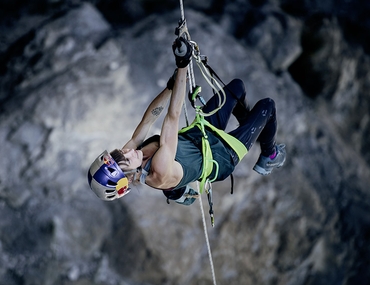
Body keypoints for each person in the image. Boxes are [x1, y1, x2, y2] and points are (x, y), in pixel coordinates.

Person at [88, 37, 286, 204]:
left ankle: (249, 125)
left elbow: (148, 120)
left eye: (122, 152)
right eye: (126, 158)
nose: (129, 151)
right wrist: (182, 65)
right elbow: (172, 117)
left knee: (237, 88)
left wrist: (170, 87)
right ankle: (269, 156)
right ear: (127, 179)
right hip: (221, 155)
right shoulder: (159, 170)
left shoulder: (132, 158)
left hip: (200, 135)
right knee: (267, 106)